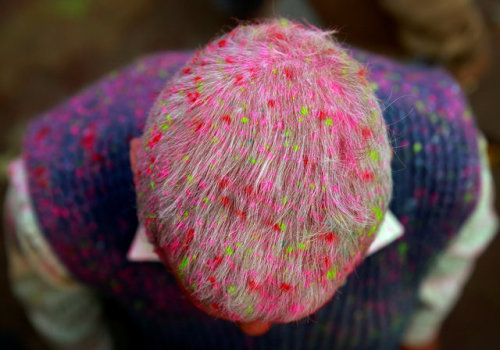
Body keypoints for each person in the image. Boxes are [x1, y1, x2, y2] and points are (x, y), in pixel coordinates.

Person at [3, 19, 497, 350]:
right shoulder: (51, 199)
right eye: (192, 284)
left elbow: (448, 268)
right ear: (137, 162)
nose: (253, 332)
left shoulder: (452, 160)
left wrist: (420, 334)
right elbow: (64, 318)